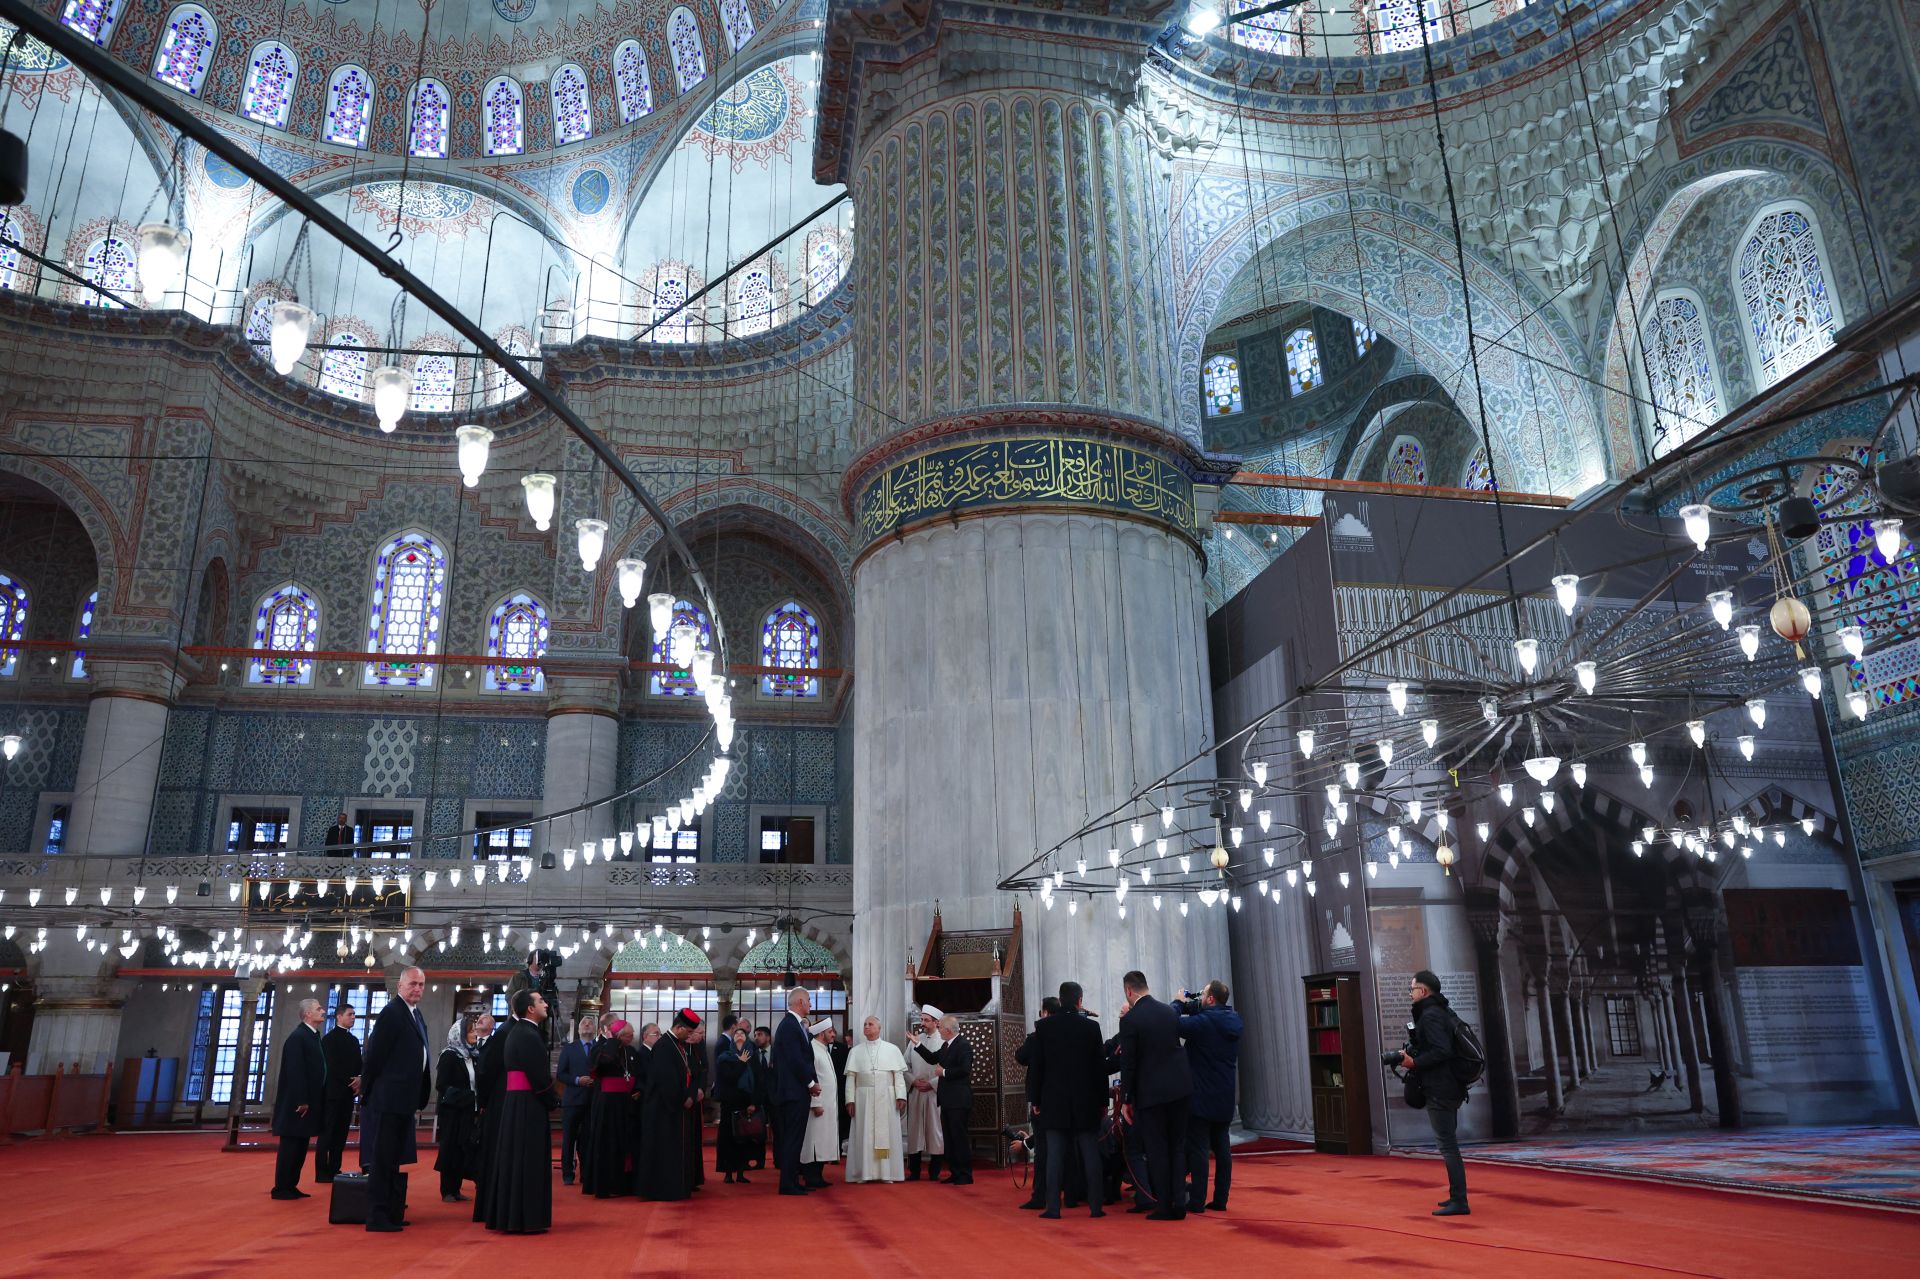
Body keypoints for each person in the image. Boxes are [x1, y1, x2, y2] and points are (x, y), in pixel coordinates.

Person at [477, 990, 558, 1234]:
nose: (546, 1004)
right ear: (530, 1009)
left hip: (517, 1102)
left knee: (516, 1159)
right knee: (527, 1159)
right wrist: (552, 1100)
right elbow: (539, 1077)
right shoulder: (528, 1035)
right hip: (527, 1104)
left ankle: (514, 1216)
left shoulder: (517, 1031)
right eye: (541, 1001)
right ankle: (525, 1218)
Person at [359, 967, 432, 1233]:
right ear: (400, 985)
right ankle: (377, 1215)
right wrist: (367, 1090)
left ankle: (392, 1211)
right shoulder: (392, 1012)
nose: (417, 988)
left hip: (404, 1098)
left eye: (421, 984)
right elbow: (375, 1055)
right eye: (413, 983)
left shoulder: (414, 1013)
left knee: (394, 1159)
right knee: (383, 1158)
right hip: (388, 1098)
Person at [1025, 982, 1106, 1219]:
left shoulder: (1044, 1027)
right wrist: (1103, 1101)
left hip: (1053, 1101)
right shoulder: (1091, 1028)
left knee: (1054, 1155)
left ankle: (1052, 1208)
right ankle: (1096, 1207)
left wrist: (1035, 1100)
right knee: (1090, 1154)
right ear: (1080, 1001)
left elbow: (1037, 1067)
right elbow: (1099, 1068)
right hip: (1086, 1101)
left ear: (1060, 1000)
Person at [1118, 970, 1190, 1221]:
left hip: (1152, 1093)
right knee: (1177, 1147)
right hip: (1180, 1088)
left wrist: (1126, 1099)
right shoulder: (1169, 1012)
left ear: (1129, 991)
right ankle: (1179, 1201)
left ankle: (1164, 1206)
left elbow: (1128, 1064)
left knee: (1157, 1150)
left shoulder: (1130, 1020)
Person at [1400, 970, 1470, 1217]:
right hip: (1449, 1086)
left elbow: (1442, 1051)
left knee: (1448, 1146)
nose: (1410, 993)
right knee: (1448, 1143)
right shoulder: (1442, 1011)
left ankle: (1459, 1201)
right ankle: (1456, 1196)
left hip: (1440, 1088)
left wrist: (1414, 1062)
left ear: (1423, 991)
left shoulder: (1430, 1015)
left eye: (1412, 989)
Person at [1178, 979, 1242, 1214]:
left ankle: (1196, 1201)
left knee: (1199, 1150)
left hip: (1201, 1096)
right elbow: (1207, 1018)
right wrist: (1195, 1006)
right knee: (1222, 1149)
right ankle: (1221, 1199)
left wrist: (1178, 1002)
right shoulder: (1234, 1019)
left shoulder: (1204, 1022)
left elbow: (1173, 1024)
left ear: (1211, 998)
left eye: (1204, 995)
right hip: (1225, 1095)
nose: (1201, 998)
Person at [636, 1009, 700, 1201]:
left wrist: (690, 1093)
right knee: (664, 1150)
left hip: (674, 1105)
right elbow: (667, 1079)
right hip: (663, 1108)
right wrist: (684, 1098)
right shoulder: (664, 1046)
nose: (690, 1036)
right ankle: (665, 1190)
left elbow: (688, 1073)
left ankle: (678, 1187)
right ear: (679, 1027)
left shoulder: (678, 1045)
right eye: (689, 1032)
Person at [269, 997, 328, 1200]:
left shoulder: (311, 1036)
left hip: (308, 1102)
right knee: (291, 1147)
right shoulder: (298, 1037)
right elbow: (295, 1071)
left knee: (300, 1146)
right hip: (297, 1104)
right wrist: (301, 1100)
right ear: (308, 1014)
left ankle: (291, 1185)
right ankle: (281, 1188)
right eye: (318, 1009)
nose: (323, 1011)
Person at [842, 1015, 909, 1183]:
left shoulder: (892, 1049)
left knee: (887, 1134)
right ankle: (864, 1173)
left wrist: (901, 1095)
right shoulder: (855, 1051)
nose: (866, 1026)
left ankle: (887, 1173)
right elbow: (851, 1078)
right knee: (863, 1134)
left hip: (887, 1097)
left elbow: (898, 1075)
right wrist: (850, 1100)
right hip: (863, 1099)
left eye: (870, 1024)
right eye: (865, 1024)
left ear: (879, 1028)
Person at [910, 1013, 974, 1185]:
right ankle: (955, 1172)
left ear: (948, 1030)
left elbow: (965, 1070)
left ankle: (965, 1175)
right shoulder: (946, 1045)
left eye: (940, 1028)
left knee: (959, 1138)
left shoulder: (963, 1045)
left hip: (959, 1100)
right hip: (946, 1100)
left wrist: (943, 1072)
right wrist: (917, 1043)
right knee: (950, 1139)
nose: (938, 1031)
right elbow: (932, 1058)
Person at [770, 987, 822, 1196]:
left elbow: (804, 1058)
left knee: (795, 1138)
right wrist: (810, 1083)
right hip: (793, 1092)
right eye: (808, 1000)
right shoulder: (790, 1026)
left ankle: (792, 1180)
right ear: (800, 1002)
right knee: (792, 1139)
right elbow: (795, 1059)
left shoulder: (794, 1025)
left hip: (796, 1091)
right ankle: (787, 1183)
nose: (810, 1004)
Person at [472, 1002, 521, 1223]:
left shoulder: (511, 1031)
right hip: (499, 1103)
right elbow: (486, 1072)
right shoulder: (505, 1033)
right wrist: (484, 1102)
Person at [580, 1017, 635, 1198]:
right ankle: (604, 1185)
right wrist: (611, 1042)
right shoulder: (601, 1048)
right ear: (619, 1035)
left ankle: (622, 1184)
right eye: (628, 1036)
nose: (631, 1038)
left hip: (624, 1103)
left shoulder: (629, 1050)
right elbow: (604, 1063)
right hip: (606, 1104)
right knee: (606, 1143)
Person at [1014, 997, 1059, 1210]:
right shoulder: (1070, 1032)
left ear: (1045, 1013)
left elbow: (1021, 1056)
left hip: (1042, 1101)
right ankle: (1070, 1194)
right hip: (1066, 1100)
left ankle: (1041, 1195)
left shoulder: (1038, 1036)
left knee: (1043, 1149)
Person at [434, 1013, 484, 1203]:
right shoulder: (449, 1055)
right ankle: (447, 1190)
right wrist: (469, 1096)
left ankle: (456, 1189)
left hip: (468, 1110)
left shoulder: (472, 1055)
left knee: (464, 1148)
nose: (475, 1034)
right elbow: (442, 1085)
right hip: (453, 1111)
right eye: (471, 1031)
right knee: (451, 1148)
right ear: (460, 1035)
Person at [316, 1004, 362, 1182]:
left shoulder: (353, 1040)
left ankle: (335, 1168)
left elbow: (359, 1064)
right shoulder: (329, 1039)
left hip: (348, 1094)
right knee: (327, 1133)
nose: (353, 1017)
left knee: (341, 1133)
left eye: (354, 1014)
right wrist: (351, 1082)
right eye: (350, 1014)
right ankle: (322, 1172)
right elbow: (332, 1067)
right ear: (339, 1016)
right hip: (333, 1094)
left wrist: (359, 1078)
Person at [554, 1013, 599, 1186]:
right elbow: (561, 1074)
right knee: (569, 1139)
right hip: (573, 1100)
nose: (587, 1024)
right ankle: (567, 1173)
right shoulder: (570, 1048)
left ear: (595, 1029)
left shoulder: (599, 1048)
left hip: (593, 1100)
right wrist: (577, 1080)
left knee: (588, 1139)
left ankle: (587, 1173)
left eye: (590, 1023)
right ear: (578, 1030)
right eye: (584, 1023)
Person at [903, 1006, 945, 1181]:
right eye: (921, 1019)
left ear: (936, 1022)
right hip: (917, 1091)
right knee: (915, 1131)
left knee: (935, 1131)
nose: (922, 1023)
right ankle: (914, 1171)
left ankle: (935, 1172)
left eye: (926, 1020)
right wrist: (913, 1081)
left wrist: (932, 1084)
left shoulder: (943, 1041)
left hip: (934, 1093)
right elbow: (905, 1065)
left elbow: (947, 1068)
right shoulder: (915, 1040)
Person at [713, 1024, 758, 1184]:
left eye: (742, 1034)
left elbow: (757, 1081)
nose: (739, 1035)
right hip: (729, 1103)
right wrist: (741, 1063)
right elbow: (729, 1078)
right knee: (728, 1138)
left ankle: (740, 1172)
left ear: (747, 1039)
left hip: (744, 1103)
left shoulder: (752, 1056)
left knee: (743, 1138)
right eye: (736, 1033)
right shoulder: (725, 1057)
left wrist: (753, 1102)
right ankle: (728, 1173)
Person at [800, 1019, 840, 1187]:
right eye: (830, 1032)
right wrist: (816, 1103)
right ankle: (811, 1177)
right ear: (822, 1033)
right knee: (814, 1143)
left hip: (828, 1106)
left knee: (823, 1142)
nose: (833, 1035)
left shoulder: (823, 1049)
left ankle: (818, 1176)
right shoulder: (813, 1049)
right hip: (818, 1106)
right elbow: (812, 1079)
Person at [747, 1025, 773, 1170]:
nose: (756, 1037)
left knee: (779, 1129)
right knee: (758, 1130)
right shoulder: (752, 1055)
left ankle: (780, 1159)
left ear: (768, 1037)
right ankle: (759, 1160)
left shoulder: (777, 1053)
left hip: (775, 1097)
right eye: (755, 1035)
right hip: (758, 1098)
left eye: (760, 1034)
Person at [826, 1024, 852, 1151]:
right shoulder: (818, 1047)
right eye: (830, 1032)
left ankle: (838, 1147)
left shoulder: (842, 1048)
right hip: (823, 1091)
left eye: (833, 1032)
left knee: (840, 1118)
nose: (833, 1035)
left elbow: (846, 1070)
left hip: (839, 1089)